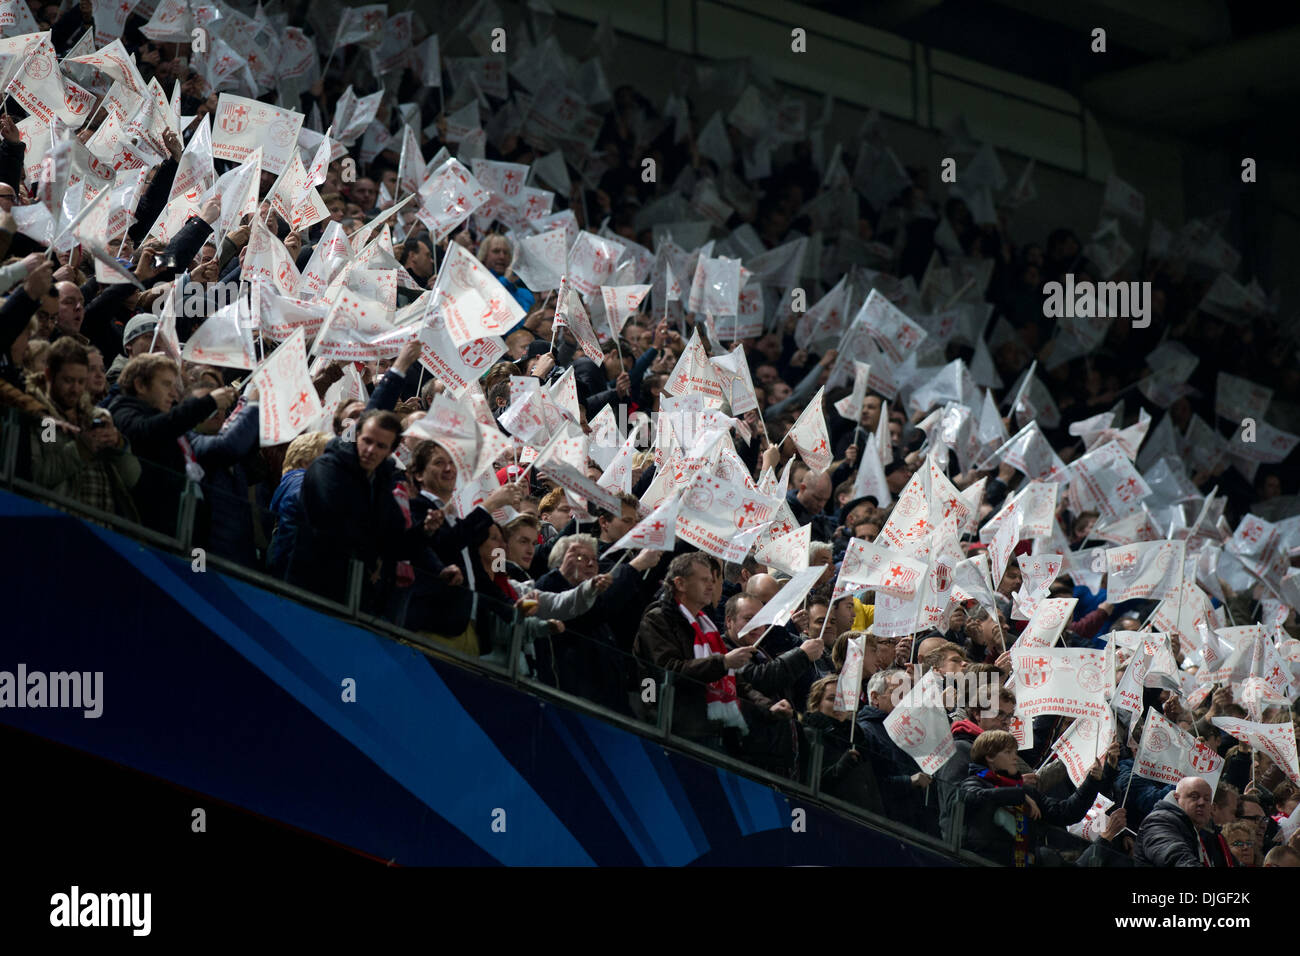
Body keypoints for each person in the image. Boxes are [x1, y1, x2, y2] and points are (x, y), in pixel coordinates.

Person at [286, 410, 426, 613]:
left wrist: (426, 530)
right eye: (367, 441)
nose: (371, 450)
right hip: (311, 590)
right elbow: (335, 524)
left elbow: (393, 540)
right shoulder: (326, 468)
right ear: (356, 437)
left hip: (354, 597)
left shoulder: (382, 482)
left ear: (391, 451)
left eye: (381, 446)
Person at [634, 552, 758, 749]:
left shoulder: (705, 624)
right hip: (671, 729)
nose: (711, 586)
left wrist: (768, 706)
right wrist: (723, 662)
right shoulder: (658, 619)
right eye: (703, 580)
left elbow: (736, 682)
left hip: (707, 730)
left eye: (712, 580)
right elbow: (669, 669)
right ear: (680, 584)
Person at [109, 354, 235, 536]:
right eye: (166, 384)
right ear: (140, 386)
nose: (173, 393)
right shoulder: (122, 411)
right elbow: (149, 431)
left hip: (181, 539)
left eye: (174, 386)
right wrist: (208, 403)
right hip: (145, 539)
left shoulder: (165, 422)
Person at [27, 337, 140, 519]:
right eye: (68, 381)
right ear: (49, 375)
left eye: (81, 381)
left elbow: (132, 478)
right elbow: (41, 473)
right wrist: (81, 449)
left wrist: (118, 445)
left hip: (102, 529)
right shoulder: (45, 420)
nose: (76, 389)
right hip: (59, 524)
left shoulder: (96, 416)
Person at [960, 730, 1104, 866]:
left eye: (1015, 752)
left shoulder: (1024, 790)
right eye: (1008, 752)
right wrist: (1020, 796)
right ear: (990, 757)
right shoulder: (974, 782)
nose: (1015, 757)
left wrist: (1091, 782)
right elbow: (972, 798)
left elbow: (1065, 813)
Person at [801, 675, 883, 812]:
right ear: (816, 704)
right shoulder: (808, 734)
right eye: (832, 699)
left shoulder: (858, 739)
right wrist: (840, 767)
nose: (839, 704)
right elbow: (807, 782)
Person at [1133, 777, 1235, 867]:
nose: (1201, 803)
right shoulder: (1158, 822)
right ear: (1177, 798)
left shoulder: (1207, 832)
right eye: (1194, 796)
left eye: (1207, 799)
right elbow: (1175, 856)